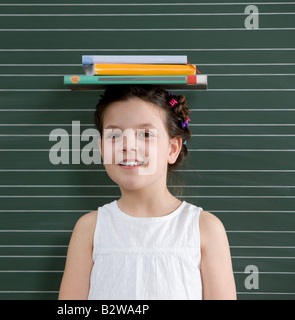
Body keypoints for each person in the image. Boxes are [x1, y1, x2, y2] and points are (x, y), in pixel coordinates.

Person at [58, 85, 236, 300]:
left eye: (145, 134)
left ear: (172, 149)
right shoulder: (89, 229)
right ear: (102, 149)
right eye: (114, 136)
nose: (128, 146)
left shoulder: (205, 229)